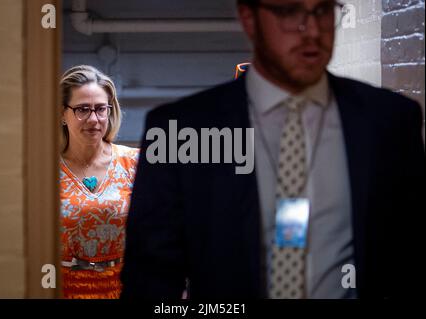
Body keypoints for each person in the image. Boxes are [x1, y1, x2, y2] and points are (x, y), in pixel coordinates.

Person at [121, 0, 425, 299]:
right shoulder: (181, 129)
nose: (312, 31)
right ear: (249, 18)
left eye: (322, 10)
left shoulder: (389, 120)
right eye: (289, 11)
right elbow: (151, 276)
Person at [59, 65, 139, 299]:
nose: (94, 119)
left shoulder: (135, 163)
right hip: (64, 288)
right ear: (62, 113)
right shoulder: (42, 170)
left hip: (126, 287)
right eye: (83, 109)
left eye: (100, 109)